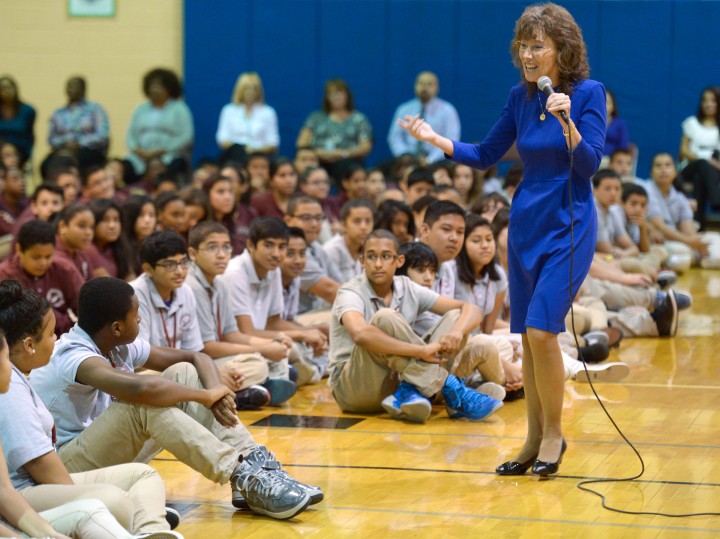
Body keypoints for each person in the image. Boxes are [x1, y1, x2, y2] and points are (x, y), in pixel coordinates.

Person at [398, 3, 605, 476]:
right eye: (523, 46)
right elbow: (487, 152)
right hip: (527, 222)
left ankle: (554, 435)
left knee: (541, 330)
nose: (528, 55)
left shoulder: (587, 93)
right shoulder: (519, 98)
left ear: (562, 49)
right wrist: (436, 139)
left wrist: (568, 123)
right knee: (528, 339)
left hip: (570, 222)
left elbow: (590, 164)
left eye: (538, 46)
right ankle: (532, 437)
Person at [29, 276, 320, 520]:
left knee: (181, 371)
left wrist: (215, 392)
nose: (140, 318)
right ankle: (238, 473)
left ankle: (253, 467)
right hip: (61, 470)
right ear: (117, 327)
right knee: (144, 405)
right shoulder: (74, 356)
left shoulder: (114, 343)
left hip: (97, 452)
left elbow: (195, 356)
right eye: (136, 314)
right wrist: (204, 395)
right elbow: (143, 391)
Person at [0, 281, 182, 538]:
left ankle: (149, 530)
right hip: (28, 492)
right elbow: (39, 465)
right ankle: (134, 517)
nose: (57, 339)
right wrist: (76, 497)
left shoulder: (19, 378)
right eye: (52, 334)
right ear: (29, 345)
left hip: (38, 486)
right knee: (112, 501)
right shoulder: (10, 391)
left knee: (144, 476)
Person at [327, 230, 502, 423]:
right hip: (353, 388)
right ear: (362, 261)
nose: (378, 264)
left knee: (456, 316)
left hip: (398, 381)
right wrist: (420, 351)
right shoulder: (350, 291)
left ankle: (415, 392)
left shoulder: (406, 286)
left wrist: (456, 332)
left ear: (399, 261)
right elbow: (360, 334)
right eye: (371, 257)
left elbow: (472, 309)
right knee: (384, 318)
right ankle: (452, 387)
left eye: (385, 257)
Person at [186, 221, 297, 406]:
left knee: (263, 359)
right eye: (212, 248)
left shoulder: (218, 283)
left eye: (226, 247)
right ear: (192, 253)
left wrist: (271, 343)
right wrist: (262, 349)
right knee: (259, 364)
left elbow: (232, 334)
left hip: (211, 358)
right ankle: (238, 394)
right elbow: (207, 348)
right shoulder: (193, 287)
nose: (222, 255)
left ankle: (248, 390)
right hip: (194, 361)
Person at [0, 220, 85, 336]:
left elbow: (85, 307)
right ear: (19, 250)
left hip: (65, 338)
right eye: (36, 257)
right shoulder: (5, 276)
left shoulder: (64, 269)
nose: (43, 263)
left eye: (48, 256)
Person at [125, 68, 194, 183]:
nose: (155, 90)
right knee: (125, 166)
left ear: (170, 89)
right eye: (152, 86)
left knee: (173, 167)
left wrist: (163, 150)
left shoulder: (180, 109)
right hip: (141, 155)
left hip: (169, 155)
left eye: (159, 86)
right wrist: (137, 149)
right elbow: (130, 135)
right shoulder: (140, 110)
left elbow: (186, 136)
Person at [296, 79, 373, 175]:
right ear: (327, 97)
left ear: (347, 96)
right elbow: (301, 143)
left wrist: (342, 153)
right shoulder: (315, 118)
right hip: (319, 159)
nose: (337, 97)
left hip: (347, 161)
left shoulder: (359, 119)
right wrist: (318, 153)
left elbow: (366, 147)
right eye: (332, 94)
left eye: (340, 93)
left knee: (349, 167)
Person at [387, 71, 461, 164]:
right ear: (415, 86)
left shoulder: (448, 110)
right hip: (408, 160)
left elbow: (451, 141)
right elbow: (394, 138)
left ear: (437, 88)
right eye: (421, 83)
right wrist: (404, 154)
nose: (424, 88)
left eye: (429, 84)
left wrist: (429, 160)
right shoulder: (403, 109)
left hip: (438, 161)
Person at [677, 86, 720, 230]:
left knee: (701, 178)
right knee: (702, 165)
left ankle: (699, 226)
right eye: (705, 100)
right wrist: (702, 159)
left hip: (713, 172)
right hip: (689, 167)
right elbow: (683, 150)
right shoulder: (691, 123)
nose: (709, 104)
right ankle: (716, 199)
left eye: (713, 100)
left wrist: (714, 164)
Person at [46, 76, 110, 169]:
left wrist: (79, 143)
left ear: (83, 89)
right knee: (45, 165)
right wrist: (65, 144)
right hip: (63, 150)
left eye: (76, 86)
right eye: (69, 86)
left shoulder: (95, 109)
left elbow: (102, 135)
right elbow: (51, 138)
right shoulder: (58, 113)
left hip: (88, 150)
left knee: (75, 162)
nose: (72, 89)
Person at [216, 72, 279, 158]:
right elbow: (222, 139)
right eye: (246, 88)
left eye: (254, 89)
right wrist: (241, 149)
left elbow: (273, 143)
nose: (250, 92)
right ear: (239, 90)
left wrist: (253, 150)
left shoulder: (268, 112)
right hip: (235, 156)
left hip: (259, 157)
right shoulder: (228, 110)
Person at [323, 200, 374, 283]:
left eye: (368, 221)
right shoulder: (332, 250)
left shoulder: (368, 248)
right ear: (344, 225)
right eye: (357, 221)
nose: (364, 227)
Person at [54, 203, 108, 280]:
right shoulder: (53, 256)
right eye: (82, 226)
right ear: (63, 226)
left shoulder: (80, 254)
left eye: (91, 227)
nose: (88, 232)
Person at [88, 198, 134, 280]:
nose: (112, 226)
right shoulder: (88, 248)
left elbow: (132, 282)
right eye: (105, 220)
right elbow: (109, 287)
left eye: (116, 220)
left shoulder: (120, 246)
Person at [0, 76, 35, 167]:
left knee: (11, 157)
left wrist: (13, 149)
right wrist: (3, 146)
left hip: (20, 150)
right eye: (4, 88)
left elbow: (29, 136)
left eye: (11, 87)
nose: (8, 91)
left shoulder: (27, 111)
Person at [121, 194, 157, 277]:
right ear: (129, 217)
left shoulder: (157, 244)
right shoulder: (122, 247)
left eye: (151, 215)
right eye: (141, 215)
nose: (147, 220)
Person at [603, 88, 630, 158]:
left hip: (611, 161)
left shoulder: (620, 124)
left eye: (607, 103)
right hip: (591, 160)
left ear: (613, 106)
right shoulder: (590, 122)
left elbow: (623, 147)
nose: (603, 105)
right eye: (601, 101)